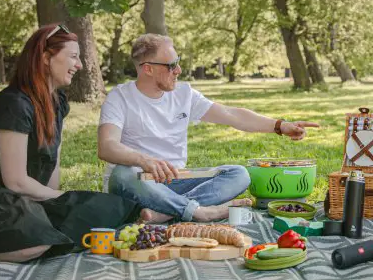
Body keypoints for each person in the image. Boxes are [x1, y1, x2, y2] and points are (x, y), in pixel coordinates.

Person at [0, 24, 162, 262]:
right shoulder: (14, 104)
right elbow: (15, 181)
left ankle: (45, 231)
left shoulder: (58, 102)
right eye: (73, 56)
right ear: (44, 57)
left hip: (29, 197)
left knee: (110, 210)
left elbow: (52, 166)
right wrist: (63, 198)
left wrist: (61, 205)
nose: (80, 64)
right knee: (37, 244)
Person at [98, 33, 319, 222]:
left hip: (175, 182)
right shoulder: (120, 97)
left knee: (239, 174)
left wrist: (280, 126)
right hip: (139, 184)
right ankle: (199, 212)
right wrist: (144, 161)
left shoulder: (184, 94)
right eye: (171, 65)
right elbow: (107, 146)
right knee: (122, 173)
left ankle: (164, 214)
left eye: (178, 61)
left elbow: (232, 115)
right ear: (148, 69)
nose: (179, 70)